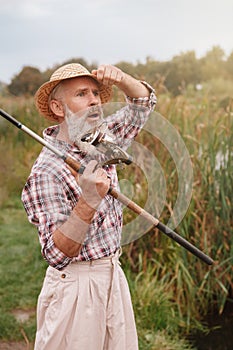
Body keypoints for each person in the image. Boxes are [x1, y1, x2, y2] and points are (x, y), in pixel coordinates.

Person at [21, 62, 156, 350]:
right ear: (58, 108)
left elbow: (143, 102)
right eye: (82, 94)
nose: (94, 99)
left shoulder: (101, 139)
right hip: (75, 288)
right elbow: (57, 253)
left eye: (96, 93)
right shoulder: (46, 171)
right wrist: (89, 201)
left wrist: (121, 79)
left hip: (112, 276)